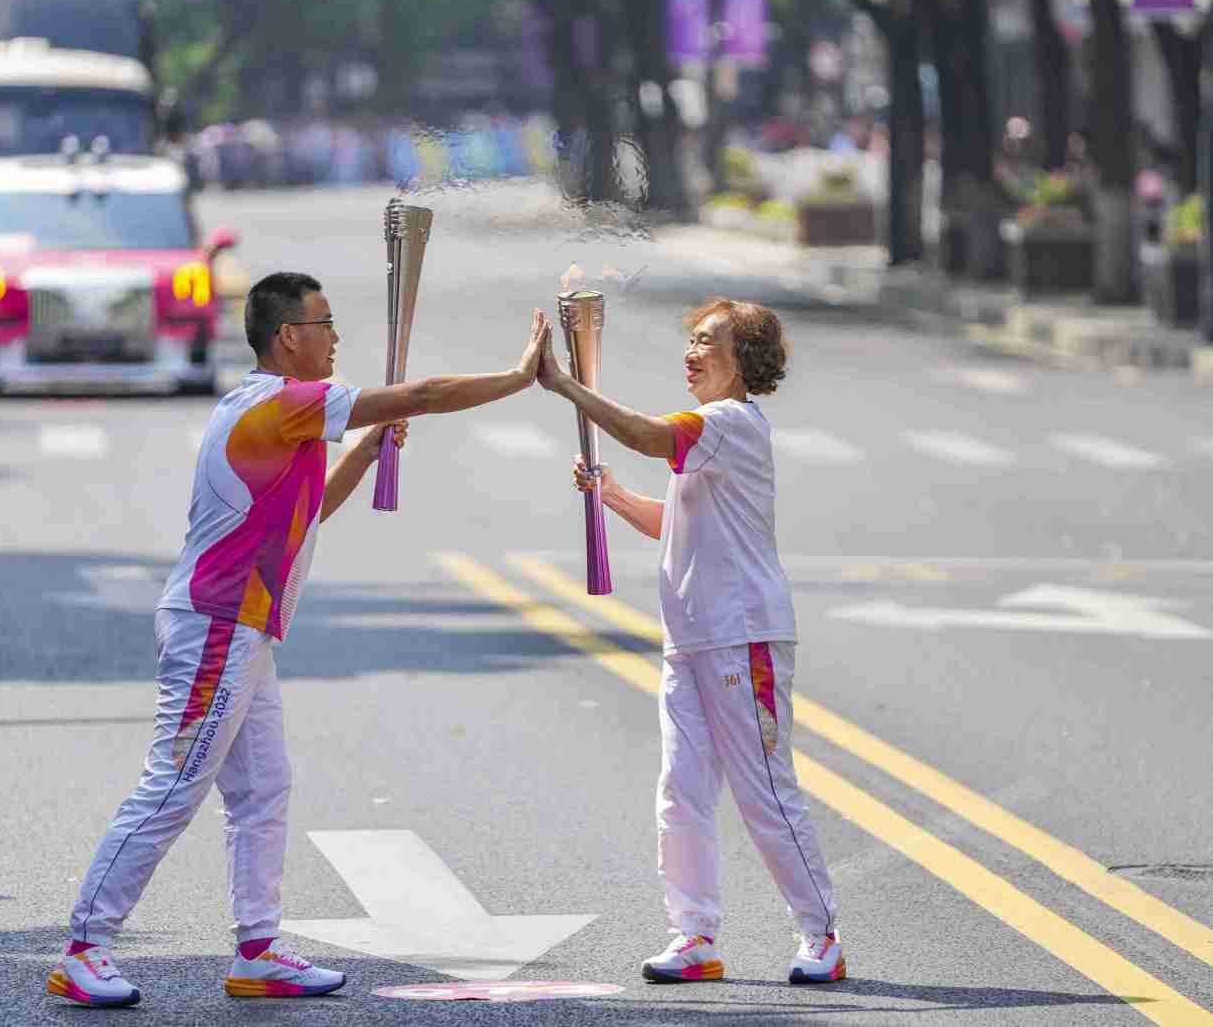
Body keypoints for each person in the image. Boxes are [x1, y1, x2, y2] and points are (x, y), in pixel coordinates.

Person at [50, 272, 551, 1008]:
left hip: (240, 627)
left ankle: (257, 950)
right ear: (289, 336)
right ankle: (83, 945)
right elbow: (420, 393)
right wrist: (515, 377)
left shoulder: (281, 417)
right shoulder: (279, 403)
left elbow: (310, 512)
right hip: (217, 622)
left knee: (262, 789)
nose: (336, 337)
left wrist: (369, 450)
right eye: (325, 322)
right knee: (175, 784)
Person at [536, 297, 843, 986]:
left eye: (708, 341)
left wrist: (567, 385)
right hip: (690, 640)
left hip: (742, 638)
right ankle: (694, 933)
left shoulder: (727, 423)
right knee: (681, 792)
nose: (692, 352)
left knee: (763, 789)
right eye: (692, 340)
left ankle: (819, 931)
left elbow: (648, 434)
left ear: (744, 360)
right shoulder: (707, 435)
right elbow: (673, 522)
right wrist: (612, 495)